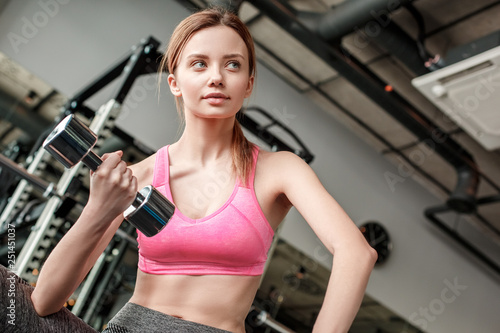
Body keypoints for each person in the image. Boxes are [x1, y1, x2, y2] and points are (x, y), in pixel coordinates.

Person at [12, 7, 376, 333]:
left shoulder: (280, 170)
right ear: (175, 83)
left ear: (248, 83)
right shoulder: (139, 175)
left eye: (232, 64)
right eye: (199, 64)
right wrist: (97, 208)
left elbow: (357, 253)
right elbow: (44, 302)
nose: (216, 77)